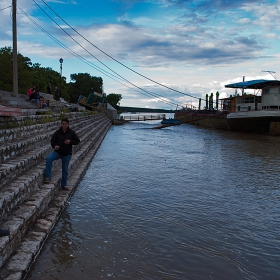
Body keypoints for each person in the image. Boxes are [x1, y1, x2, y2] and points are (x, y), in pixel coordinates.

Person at [43, 118, 80, 191]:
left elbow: (77, 141)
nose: (64, 125)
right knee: (48, 159)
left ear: (68, 124)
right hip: (58, 152)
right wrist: (54, 146)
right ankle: (48, 176)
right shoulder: (57, 132)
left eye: (65, 124)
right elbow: (52, 141)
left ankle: (63, 185)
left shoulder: (71, 132)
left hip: (67, 153)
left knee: (65, 169)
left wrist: (70, 142)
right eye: (63, 124)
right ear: (61, 124)